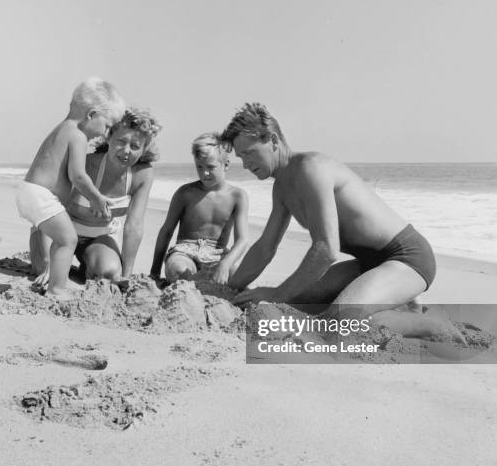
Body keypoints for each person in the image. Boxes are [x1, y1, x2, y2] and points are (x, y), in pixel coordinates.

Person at [222, 103, 438, 318]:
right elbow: (265, 248)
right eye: (241, 157)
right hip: (367, 265)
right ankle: (400, 303)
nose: (245, 164)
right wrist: (228, 289)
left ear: (274, 140)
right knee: (295, 305)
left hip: (406, 258)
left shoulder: (310, 168)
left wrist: (278, 293)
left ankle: (428, 323)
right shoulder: (281, 187)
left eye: (249, 153)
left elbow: (326, 249)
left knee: (339, 320)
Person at [16, 77, 125, 298]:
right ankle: (57, 289)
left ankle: (54, 279)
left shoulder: (61, 129)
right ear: (91, 114)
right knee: (69, 239)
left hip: (30, 192)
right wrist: (96, 198)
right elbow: (78, 176)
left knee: (62, 238)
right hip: (41, 196)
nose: (105, 133)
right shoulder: (78, 136)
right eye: (106, 125)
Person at [67, 107, 159, 281]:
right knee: (43, 266)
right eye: (121, 141)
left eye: (135, 146)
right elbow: (55, 203)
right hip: (65, 230)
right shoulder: (86, 164)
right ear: (108, 137)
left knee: (109, 273)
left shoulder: (142, 175)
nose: (126, 151)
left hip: (99, 237)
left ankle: (89, 264)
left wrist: (126, 275)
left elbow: (134, 225)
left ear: (144, 148)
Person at [150, 133, 249, 285]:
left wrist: (226, 264)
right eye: (199, 167)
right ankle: (197, 284)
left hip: (217, 254)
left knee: (239, 277)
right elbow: (167, 230)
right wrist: (155, 272)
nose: (204, 173)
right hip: (185, 251)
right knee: (178, 270)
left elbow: (242, 239)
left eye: (210, 167)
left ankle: (203, 283)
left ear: (226, 164)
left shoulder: (237, 196)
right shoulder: (185, 193)